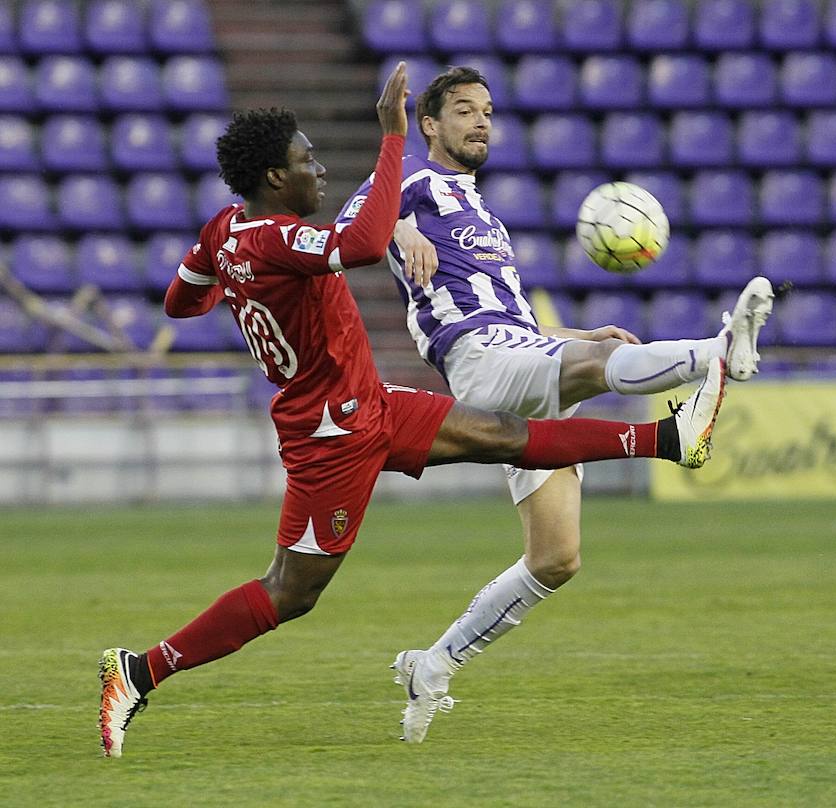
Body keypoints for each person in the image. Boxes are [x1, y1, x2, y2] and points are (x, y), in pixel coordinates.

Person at [98, 62, 728, 759]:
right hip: (330, 434)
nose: (320, 173)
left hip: (371, 405)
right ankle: (138, 670)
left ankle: (672, 437)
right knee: (291, 592)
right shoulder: (278, 239)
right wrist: (392, 138)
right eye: (308, 162)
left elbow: (180, 300)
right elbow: (361, 244)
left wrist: (234, 292)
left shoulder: (225, 231)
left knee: (508, 435)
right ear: (276, 179)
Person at [336, 66, 775, 744]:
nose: (480, 121)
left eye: (486, 110)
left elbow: (507, 314)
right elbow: (349, 227)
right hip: (479, 361)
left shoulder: (483, 215)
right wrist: (399, 231)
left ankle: (434, 663)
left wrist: (569, 336)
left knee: (556, 558)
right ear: (429, 124)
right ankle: (718, 350)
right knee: (599, 372)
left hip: (515, 352)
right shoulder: (413, 186)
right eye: (462, 111)